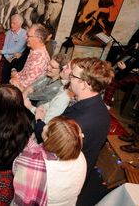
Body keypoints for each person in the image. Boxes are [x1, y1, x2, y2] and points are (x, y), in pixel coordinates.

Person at [34, 57, 114, 205]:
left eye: (73, 76)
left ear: (85, 83)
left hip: (64, 175)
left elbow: (50, 141)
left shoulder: (79, 121)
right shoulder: (99, 107)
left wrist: (39, 121)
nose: (69, 78)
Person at [12, 116, 87, 206]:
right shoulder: (80, 156)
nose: (44, 127)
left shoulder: (33, 168)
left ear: (50, 141)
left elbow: (16, 167)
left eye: (48, 128)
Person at [10, 24, 50, 91]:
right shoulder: (33, 51)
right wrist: (15, 73)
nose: (26, 38)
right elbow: (24, 74)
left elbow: (24, 86)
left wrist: (14, 76)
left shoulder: (40, 58)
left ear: (38, 38)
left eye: (28, 36)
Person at [0, 14, 27, 84]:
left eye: (14, 23)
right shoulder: (8, 33)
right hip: (7, 60)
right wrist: (8, 57)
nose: (11, 25)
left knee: (14, 83)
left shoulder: (25, 34)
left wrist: (1, 52)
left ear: (20, 24)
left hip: (17, 62)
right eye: (11, 22)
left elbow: (17, 49)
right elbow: (5, 46)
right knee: (4, 81)